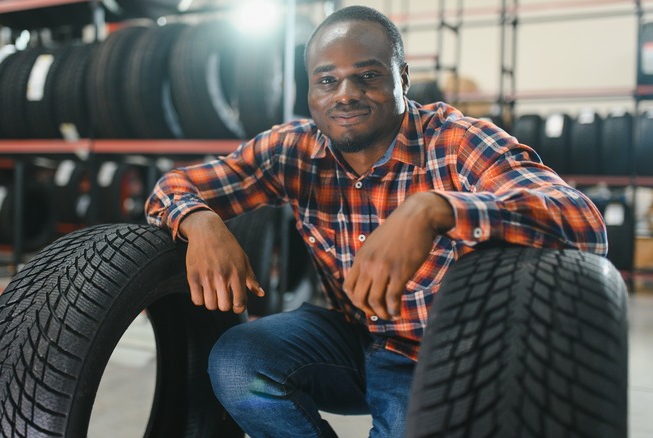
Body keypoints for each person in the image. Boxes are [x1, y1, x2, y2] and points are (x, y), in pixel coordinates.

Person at [145, 5, 607, 437]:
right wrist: (201, 222)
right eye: (327, 80)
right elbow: (174, 186)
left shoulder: (455, 142)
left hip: (439, 355)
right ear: (310, 90)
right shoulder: (294, 150)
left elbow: (581, 220)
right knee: (237, 362)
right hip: (353, 339)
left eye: (367, 76)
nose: (345, 94)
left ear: (401, 78)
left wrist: (435, 210)